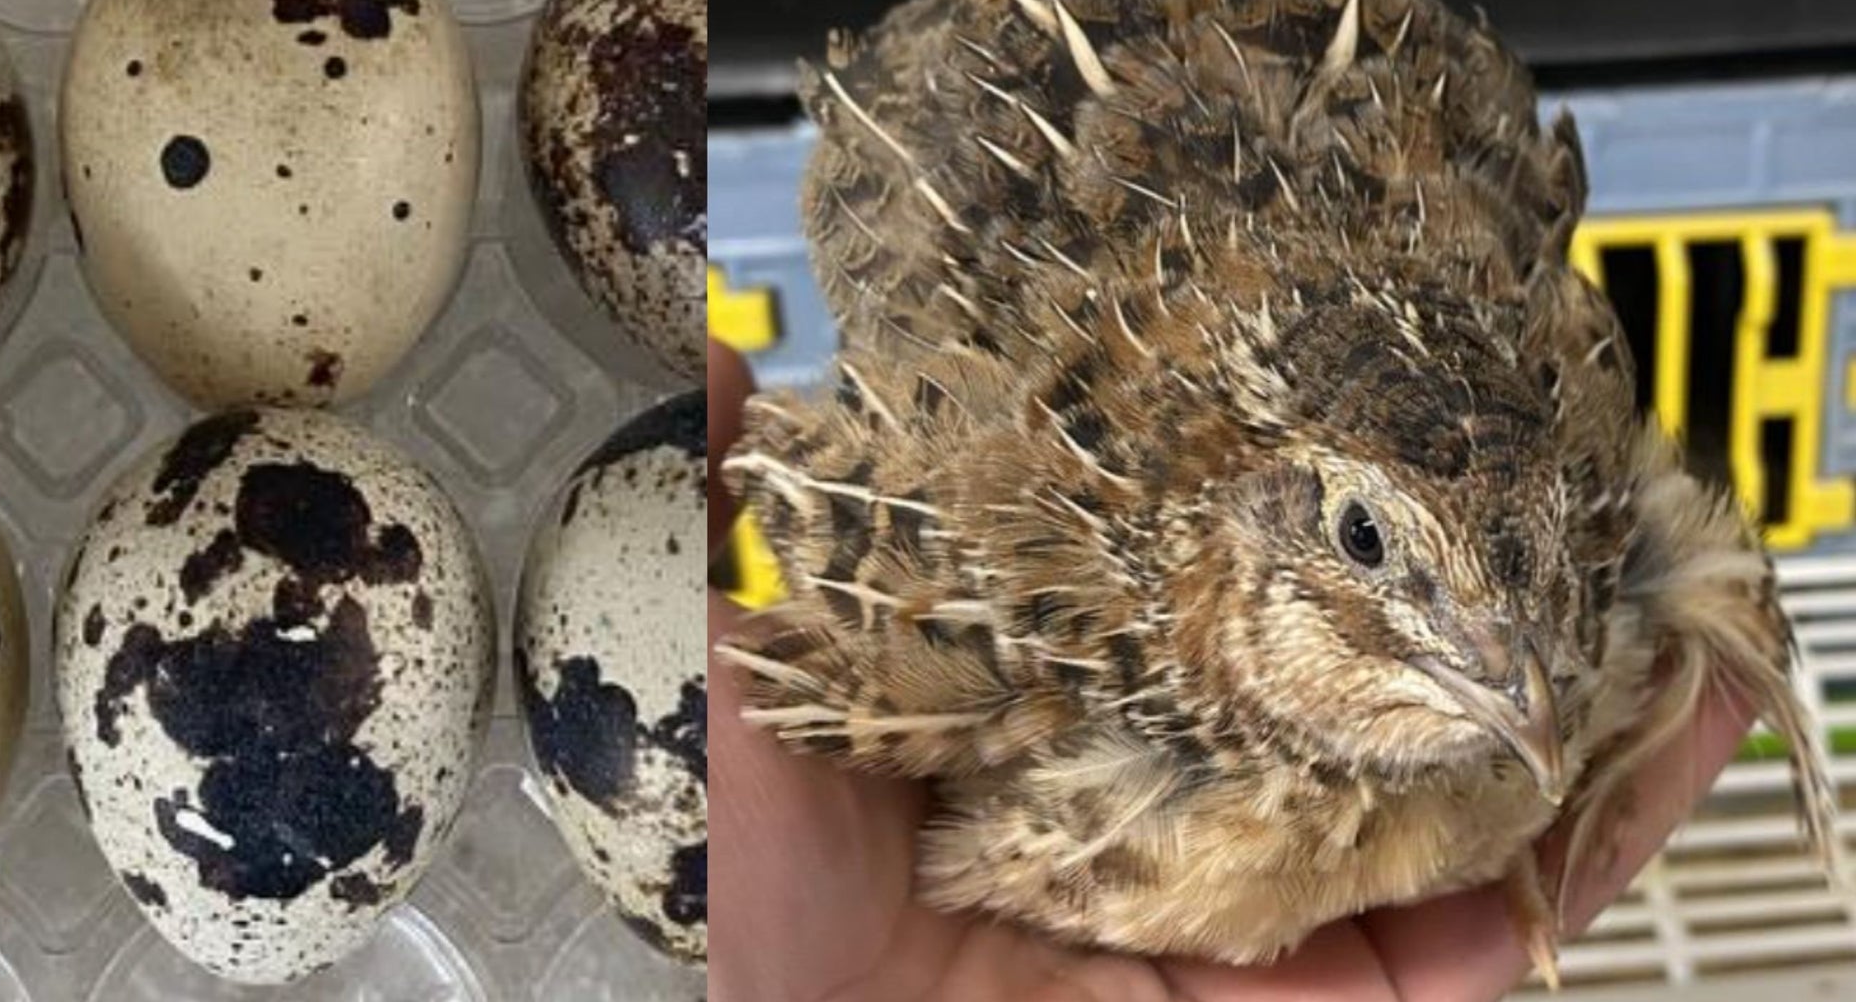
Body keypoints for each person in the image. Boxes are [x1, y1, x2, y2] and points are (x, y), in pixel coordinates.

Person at [707, 339, 1762, 1002]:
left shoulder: (1570, 587)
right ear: (1256, 518)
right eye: (1359, 536)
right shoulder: (986, 627)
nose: (1524, 683)